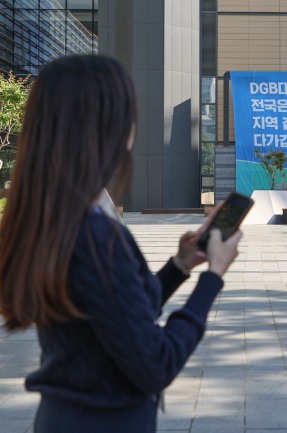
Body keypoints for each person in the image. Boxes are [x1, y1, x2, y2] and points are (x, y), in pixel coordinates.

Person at [0, 55, 241, 432]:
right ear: (108, 126)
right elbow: (155, 364)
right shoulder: (95, 233)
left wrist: (179, 267)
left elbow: (119, 314)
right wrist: (213, 275)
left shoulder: (55, 217)